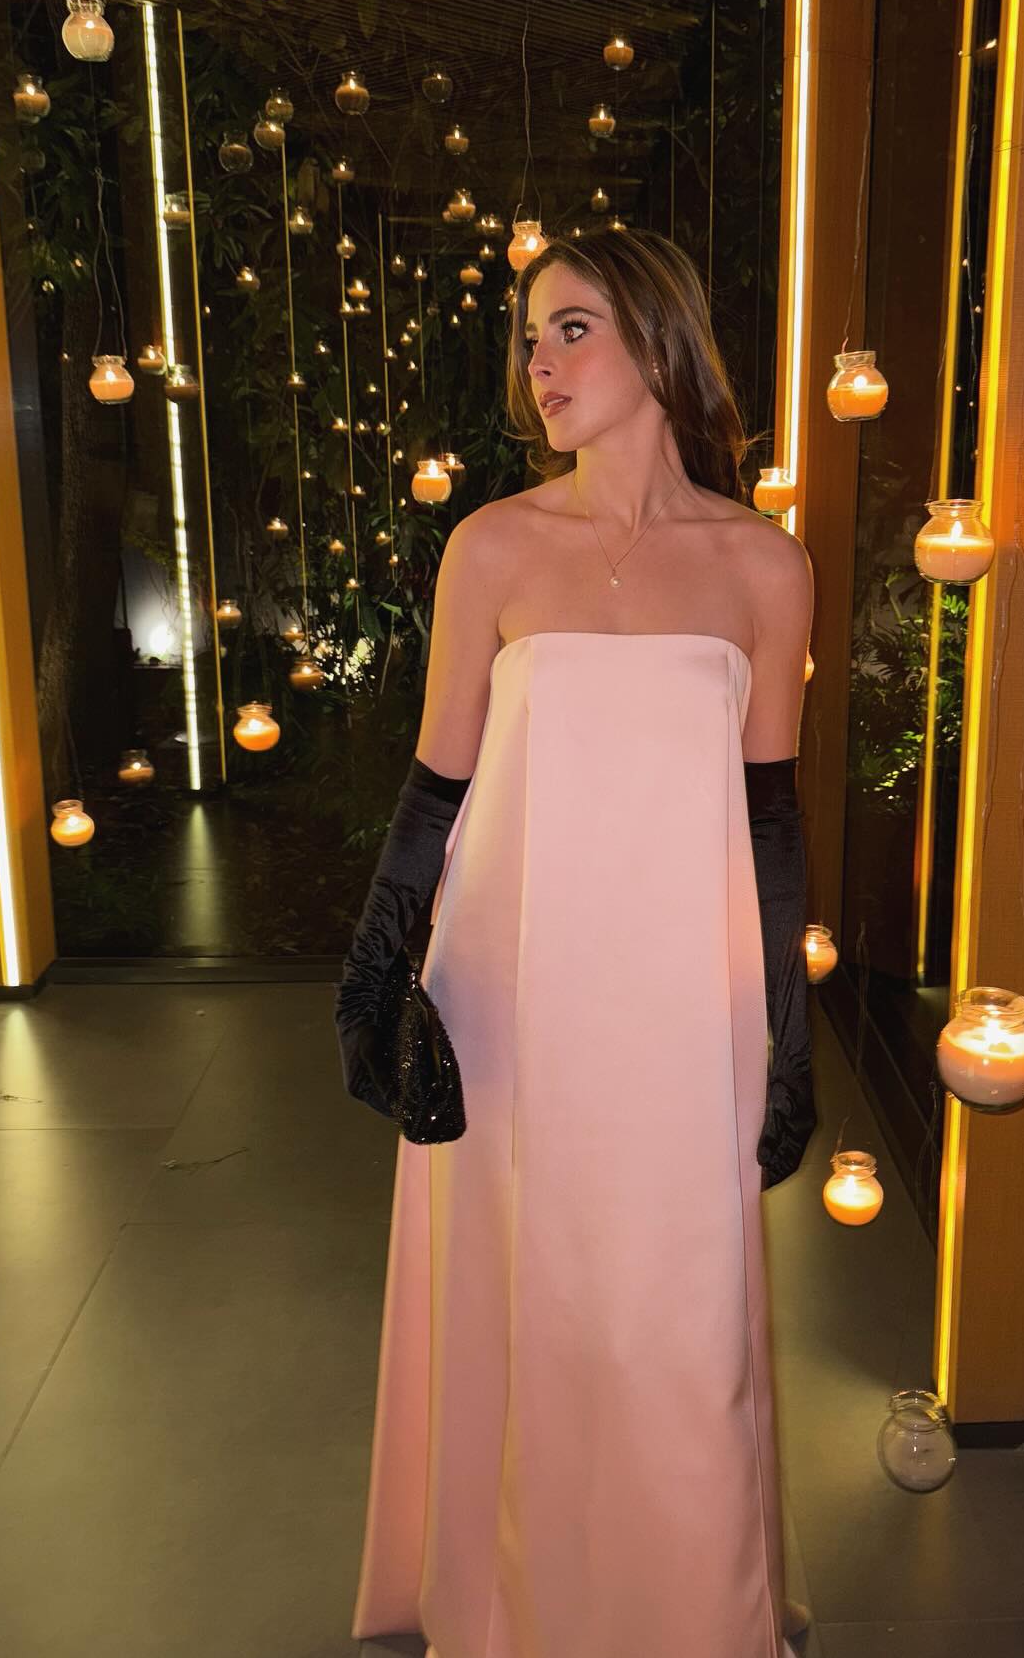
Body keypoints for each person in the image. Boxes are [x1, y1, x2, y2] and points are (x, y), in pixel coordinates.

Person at [339, 227, 818, 1657]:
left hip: (684, 1012)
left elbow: (771, 820)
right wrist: (374, 973)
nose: (539, 364)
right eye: (530, 337)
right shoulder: (491, 546)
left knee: (684, 1326)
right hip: (508, 1003)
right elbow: (437, 786)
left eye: (572, 329)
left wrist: (789, 1033)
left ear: (659, 336)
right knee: (528, 1310)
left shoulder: (764, 564)